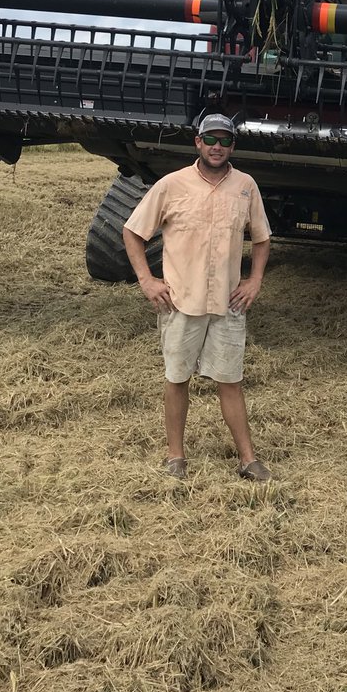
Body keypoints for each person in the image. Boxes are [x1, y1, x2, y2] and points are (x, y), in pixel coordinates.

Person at [123, 112, 272, 483]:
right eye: (211, 139)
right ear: (198, 143)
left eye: (224, 140)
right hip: (180, 301)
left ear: (232, 146)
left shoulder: (245, 186)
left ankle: (248, 460)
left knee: (230, 380)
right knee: (177, 379)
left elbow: (262, 237)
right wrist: (147, 280)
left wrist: (254, 280)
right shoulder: (171, 185)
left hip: (227, 303)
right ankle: (176, 457)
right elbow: (132, 232)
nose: (217, 146)